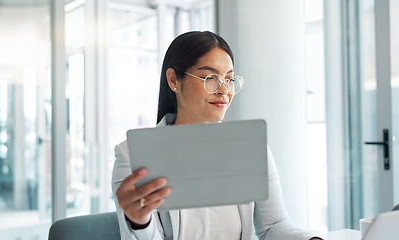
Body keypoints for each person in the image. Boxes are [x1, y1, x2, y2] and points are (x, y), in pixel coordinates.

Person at [112, 31, 322, 240]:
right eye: (210, 78)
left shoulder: (250, 147)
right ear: (174, 80)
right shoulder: (133, 155)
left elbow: (272, 226)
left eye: (229, 79)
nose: (224, 90)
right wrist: (139, 223)